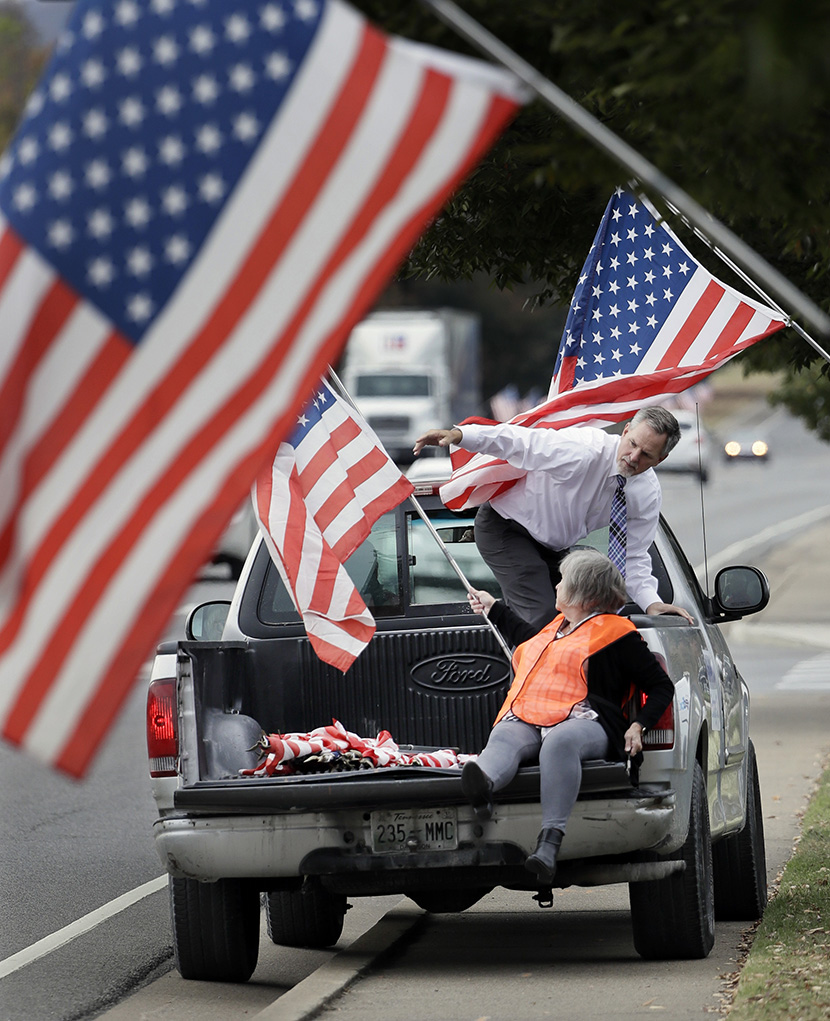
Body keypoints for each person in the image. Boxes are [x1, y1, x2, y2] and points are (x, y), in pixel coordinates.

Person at [461, 549, 675, 885]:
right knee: (504, 735)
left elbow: (661, 687)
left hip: (586, 722)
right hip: (531, 715)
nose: (556, 586)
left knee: (559, 743)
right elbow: (527, 641)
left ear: (582, 594)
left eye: (562, 581)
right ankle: (482, 783)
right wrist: (493, 608)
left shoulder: (618, 633)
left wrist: (639, 724)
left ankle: (549, 844)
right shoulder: (557, 628)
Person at [413, 407, 693, 630]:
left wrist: (651, 603)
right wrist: (462, 435)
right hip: (506, 528)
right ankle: (534, 698)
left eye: (646, 455)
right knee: (542, 619)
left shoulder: (645, 493)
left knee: (582, 614)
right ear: (626, 430)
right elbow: (521, 442)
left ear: (661, 459)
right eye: (632, 444)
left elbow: (634, 556)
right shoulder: (582, 450)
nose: (633, 457)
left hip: (553, 548)